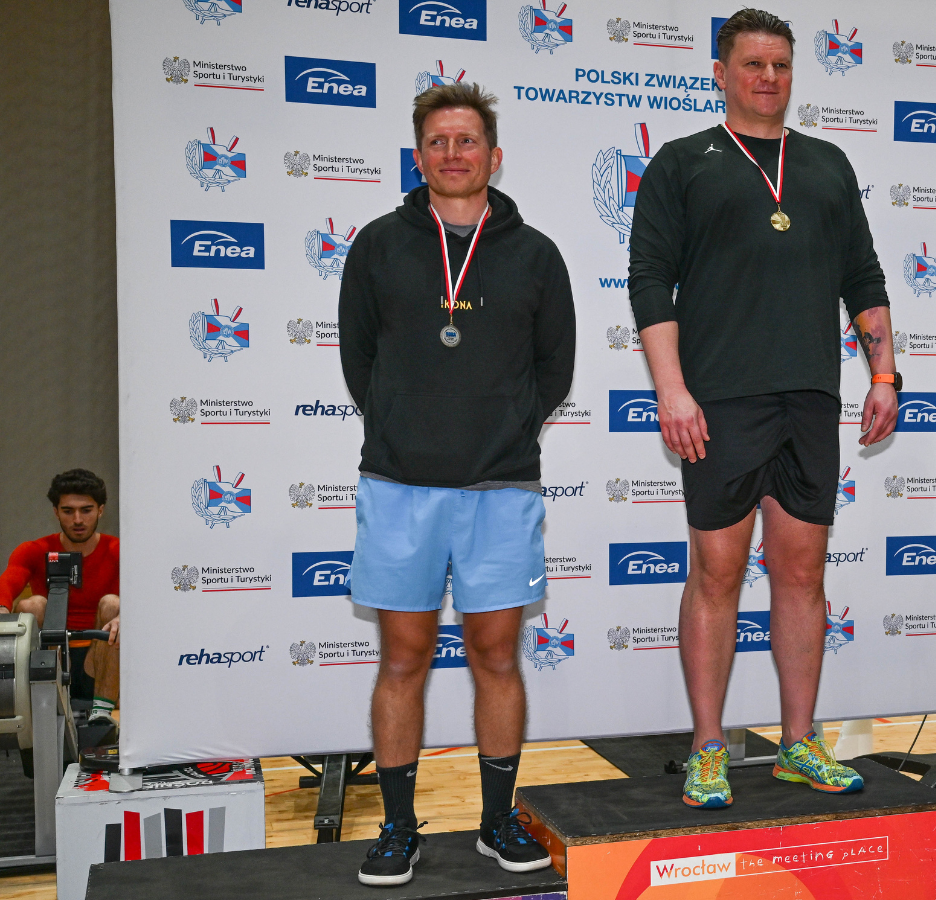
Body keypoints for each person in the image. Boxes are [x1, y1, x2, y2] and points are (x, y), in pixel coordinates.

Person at [628, 8, 898, 810]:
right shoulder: (684, 162)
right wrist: (671, 389)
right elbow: (650, 281)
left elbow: (864, 275)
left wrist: (884, 374)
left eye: (780, 65)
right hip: (720, 399)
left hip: (809, 398)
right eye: (753, 64)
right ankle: (708, 746)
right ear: (721, 73)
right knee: (717, 572)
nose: (769, 77)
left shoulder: (827, 163)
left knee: (803, 572)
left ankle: (798, 742)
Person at [338, 81, 575, 886]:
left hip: (500, 488)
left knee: (496, 655)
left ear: (493, 156)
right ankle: (398, 827)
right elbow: (359, 359)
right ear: (418, 157)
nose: (452, 153)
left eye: (466, 140)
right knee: (402, 657)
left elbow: (554, 368)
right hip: (400, 485)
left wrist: (502, 428)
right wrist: (404, 423)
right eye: (437, 142)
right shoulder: (378, 245)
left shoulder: (536, 254)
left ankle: (497, 819)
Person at [1, 469, 120, 725]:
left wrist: (127, 615)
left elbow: (149, 596)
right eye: (68, 511)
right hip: (49, 656)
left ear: (100, 510)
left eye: (86, 510)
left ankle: (102, 713)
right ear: (56, 512)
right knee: (32, 605)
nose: (78, 519)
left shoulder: (119, 550)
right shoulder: (33, 550)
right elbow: (8, 583)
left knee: (114, 604)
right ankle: (42, 706)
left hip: (99, 658)